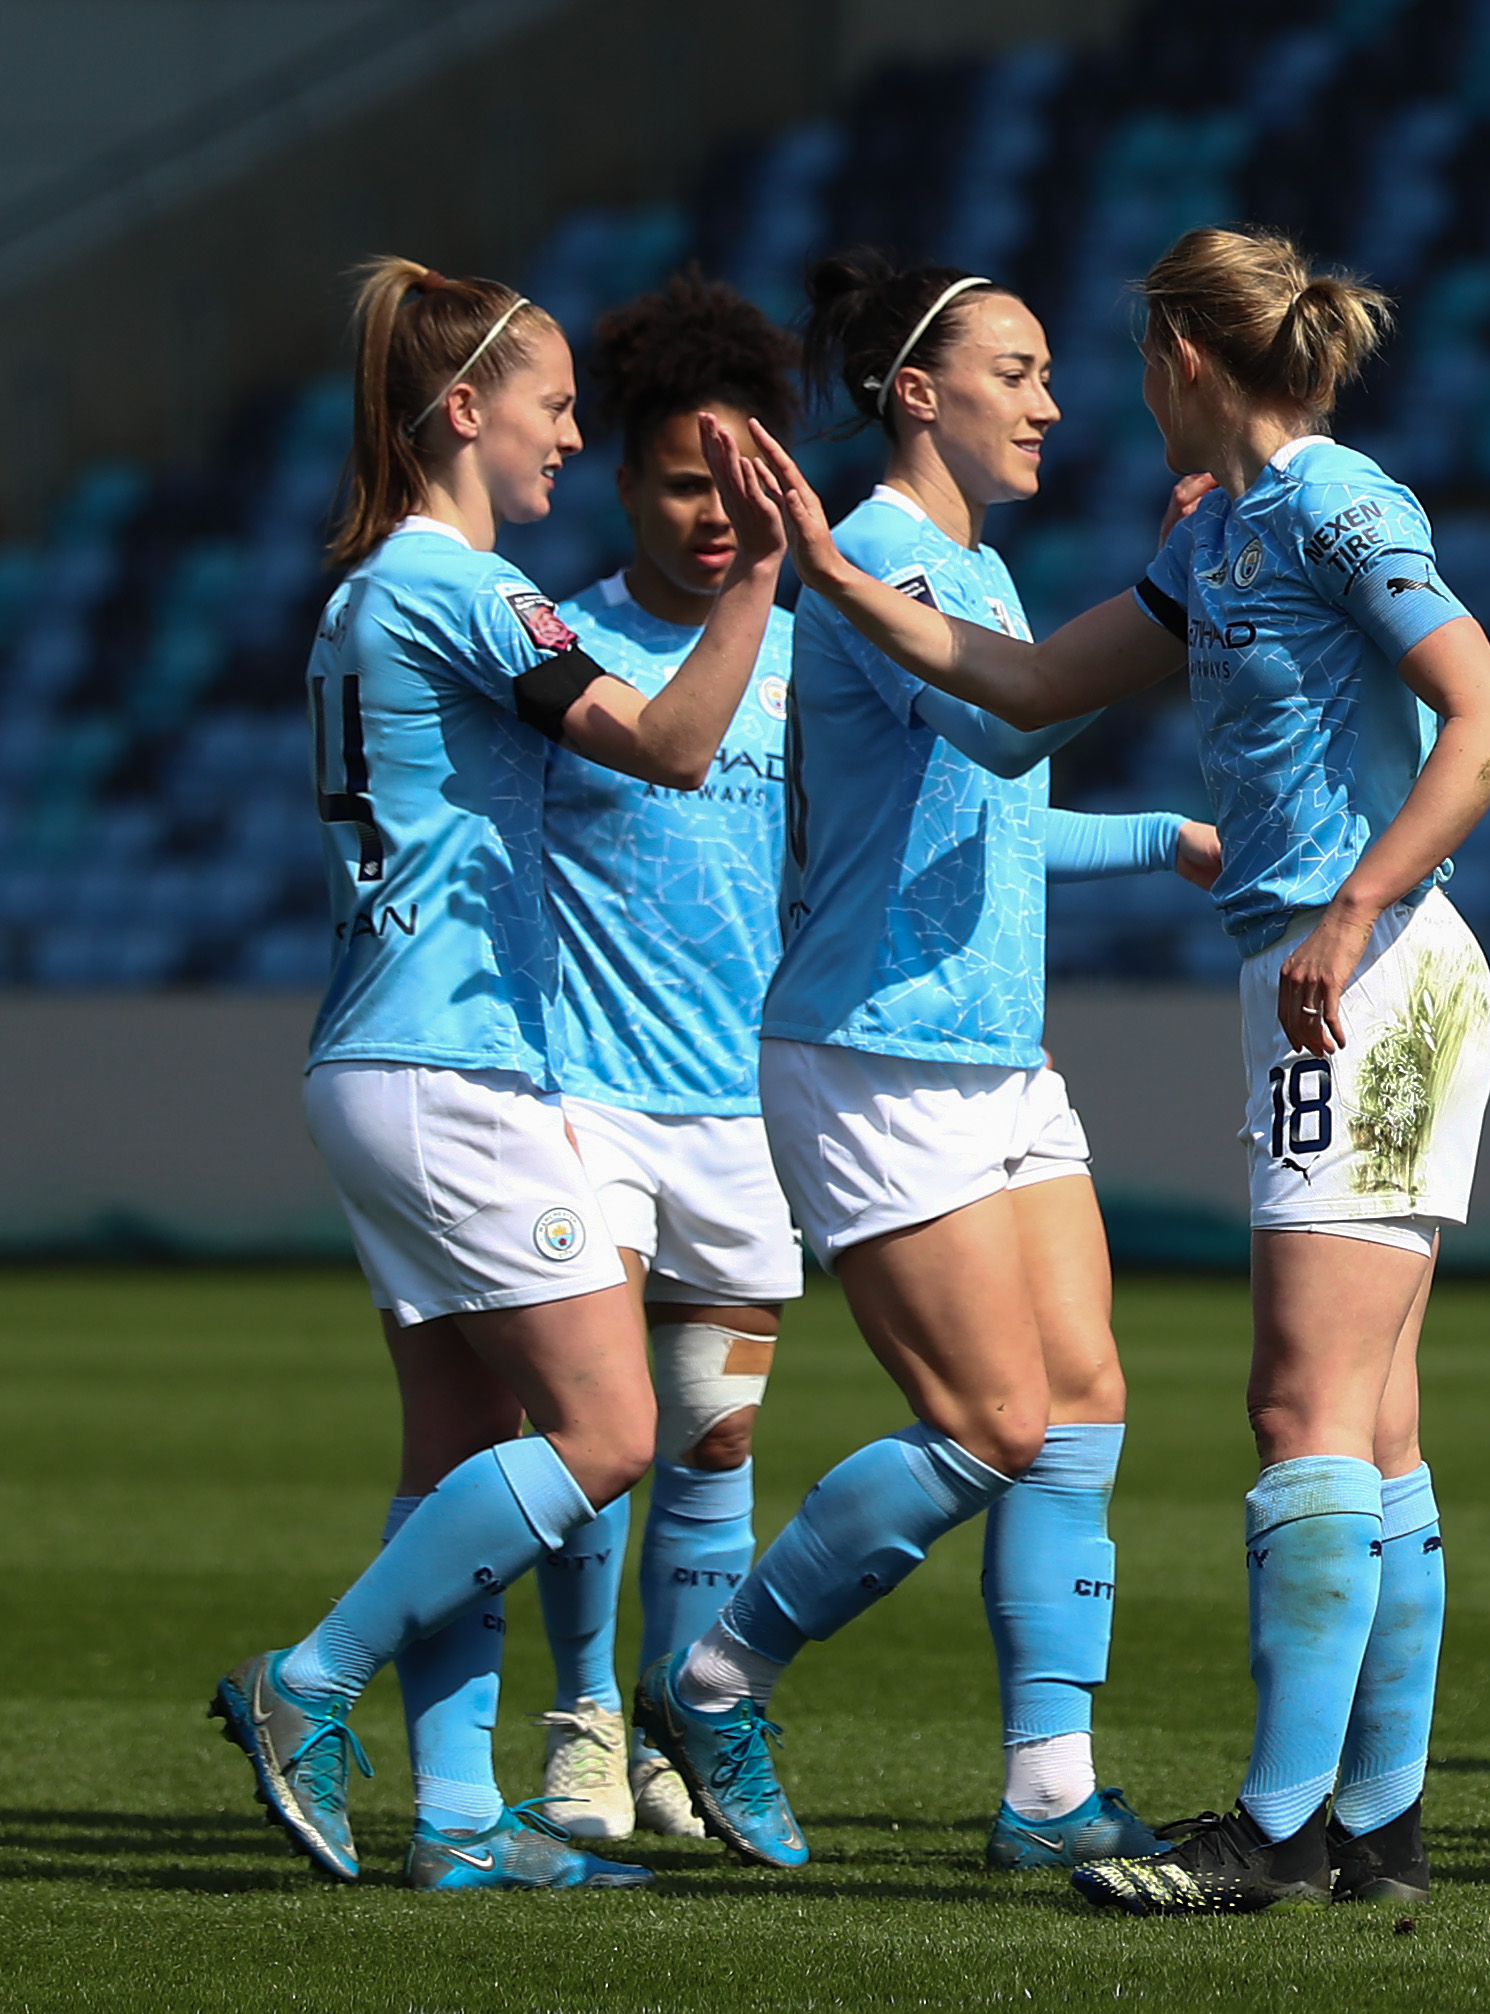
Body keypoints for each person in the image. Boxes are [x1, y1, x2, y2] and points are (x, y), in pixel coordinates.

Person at [742, 224, 1490, 1914]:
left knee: (1298, 1404)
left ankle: (1267, 1826)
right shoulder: (1230, 535)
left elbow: (1489, 718)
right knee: (1372, 1418)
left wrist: (1350, 912)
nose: (1087, 398)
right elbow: (1021, 692)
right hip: (1335, 976)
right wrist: (837, 572)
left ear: (1183, 355)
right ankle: (1373, 1827)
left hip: (1369, 981)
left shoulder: (1335, 500)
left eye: (1112, 361)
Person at [628, 253, 1219, 1875]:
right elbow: (1010, 730)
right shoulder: (882, 555)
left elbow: (1001, 815)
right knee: (993, 1420)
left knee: (1085, 1401)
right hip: (872, 1053)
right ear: (915, 392)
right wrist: (1162, 598)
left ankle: (1046, 1789)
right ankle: (715, 1673)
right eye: (1013, 370)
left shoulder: (974, 569)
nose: (1048, 401)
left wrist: (1167, 836)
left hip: (997, 1061)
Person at [207, 257, 784, 1889]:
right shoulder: (459, 586)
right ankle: (307, 1680)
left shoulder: (365, 592)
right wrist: (766, 571)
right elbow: (672, 750)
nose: (569, 438)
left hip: (382, 1050)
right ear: (465, 410)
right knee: (605, 1429)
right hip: (452, 1063)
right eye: (549, 405)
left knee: (463, 1448)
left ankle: (459, 1817)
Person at [521, 274, 807, 1843]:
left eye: (738, 479)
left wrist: (1159, 834)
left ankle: (667, 1727)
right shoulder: (557, 644)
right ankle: (572, 1718)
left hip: (739, 1102)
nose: (712, 512)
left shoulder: (803, 649)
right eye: (685, 481)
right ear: (627, 479)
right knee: (595, 1427)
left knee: (715, 1429)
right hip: (584, 1098)